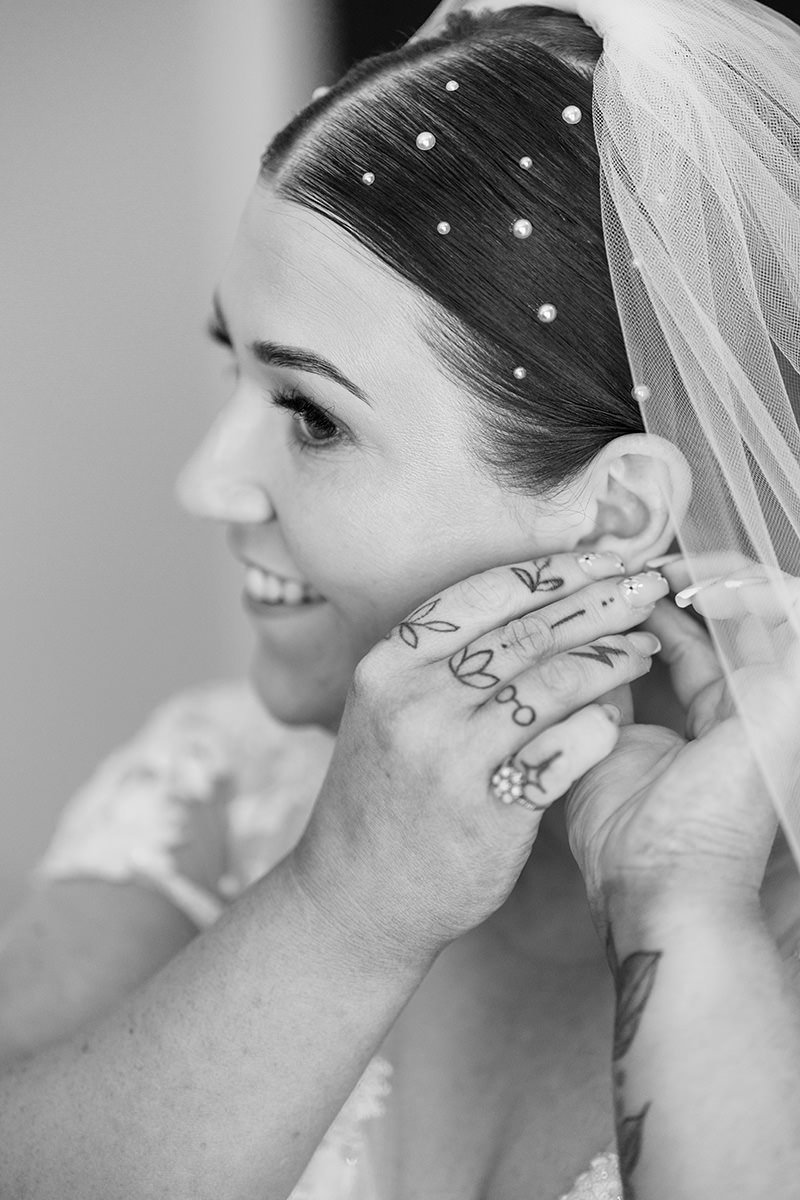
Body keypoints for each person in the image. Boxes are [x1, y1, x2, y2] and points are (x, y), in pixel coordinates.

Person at [2, 2, 800, 1197]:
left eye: (310, 414)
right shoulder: (212, 791)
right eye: (235, 369)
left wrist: (679, 907)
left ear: (617, 513)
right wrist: (343, 905)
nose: (207, 483)